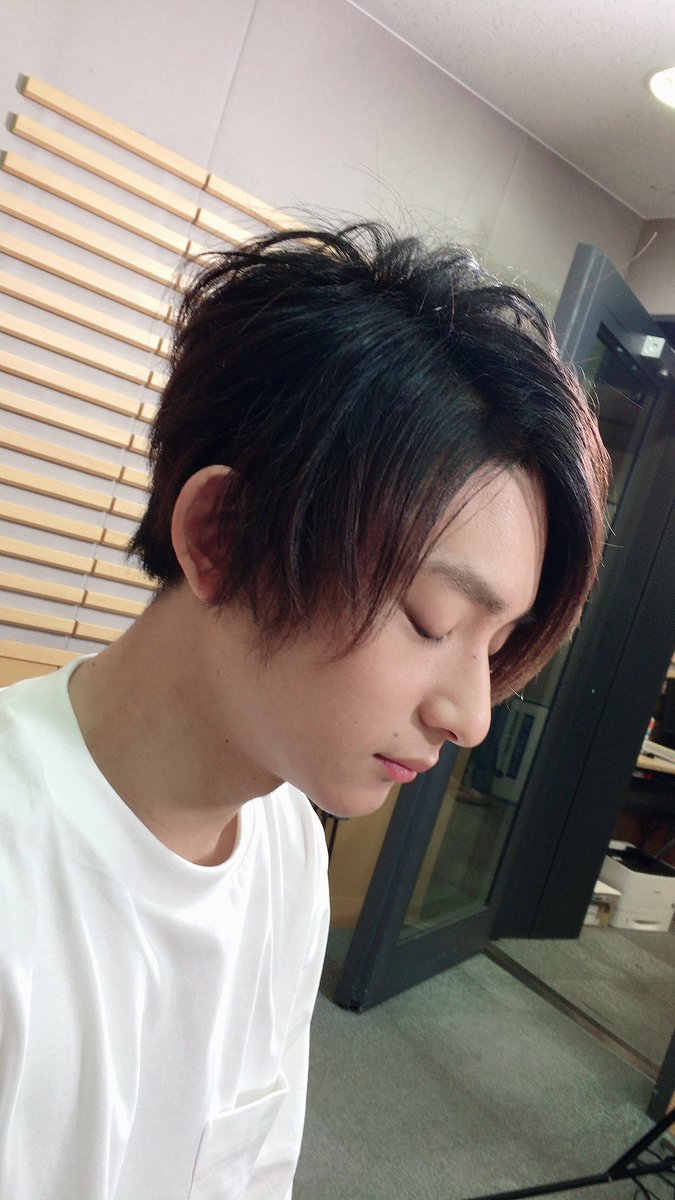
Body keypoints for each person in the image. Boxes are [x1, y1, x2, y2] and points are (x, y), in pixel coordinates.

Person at [0, 222, 609, 1199]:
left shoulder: (285, 839)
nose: (471, 717)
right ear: (223, 537)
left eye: (496, 645)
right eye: (432, 619)